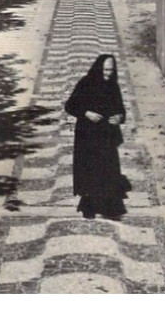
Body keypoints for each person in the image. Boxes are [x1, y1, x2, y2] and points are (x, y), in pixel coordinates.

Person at [64, 54, 127, 219]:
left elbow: (121, 109)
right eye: (105, 70)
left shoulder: (114, 86)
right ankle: (88, 204)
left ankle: (106, 204)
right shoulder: (86, 83)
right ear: (99, 69)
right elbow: (70, 105)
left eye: (111, 71)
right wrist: (86, 113)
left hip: (106, 136)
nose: (108, 74)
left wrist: (119, 117)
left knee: (106, 169)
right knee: (88, 168)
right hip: (87, 135)